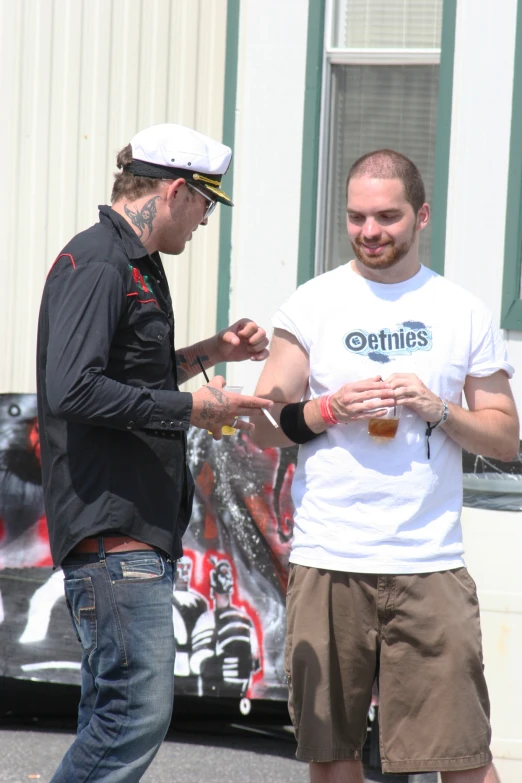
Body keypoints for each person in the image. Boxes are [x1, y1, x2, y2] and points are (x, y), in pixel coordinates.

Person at [251, 149, 519, 783]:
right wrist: (326, 408)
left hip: (428, 564)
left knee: (463, 758)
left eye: (388, 217)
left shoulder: (462, 311)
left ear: (421, 215)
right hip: (330, 560)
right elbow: (263, 422)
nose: (370, 231)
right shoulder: (314, 304)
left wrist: (438, 409)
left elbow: (506, 438)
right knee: (332, 755)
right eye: (357, 217)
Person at [36, 122, 273, 783]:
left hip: (128, 538)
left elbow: (128, 378)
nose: (204, 220)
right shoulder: (104, 263)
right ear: (174, 190)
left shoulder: (129, 264)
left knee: (113, 716)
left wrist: (214, 353)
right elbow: (74, 388)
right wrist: (195, 406)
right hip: (115, 538)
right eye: (204, 204)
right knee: (131, 718)